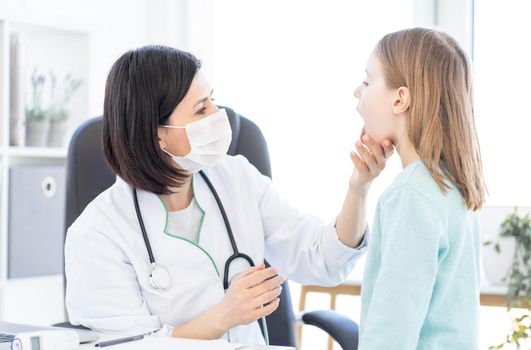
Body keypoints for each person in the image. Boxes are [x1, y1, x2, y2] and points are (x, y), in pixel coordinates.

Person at [64, 45, 393, 344]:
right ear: (158, 136)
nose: (218, 116)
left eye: (212, 100)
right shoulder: (97, 234)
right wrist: (225, 315)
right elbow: (125, 346)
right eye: (201, 110)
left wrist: (359, 187)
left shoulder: (235, 178)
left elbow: (321, 258)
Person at [353, 28, 486, 349]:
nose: (357, 92)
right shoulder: (452, 187)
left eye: (368, 81)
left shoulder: (410, 195)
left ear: (401, 98)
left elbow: (391, 332)